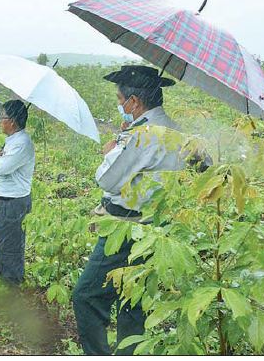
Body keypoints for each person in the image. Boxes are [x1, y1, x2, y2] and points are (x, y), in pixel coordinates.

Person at [72, 65, 185, 355]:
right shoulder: (174, 130)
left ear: (134, 101)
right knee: (132, 301)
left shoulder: (143, 135)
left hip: (126, 228)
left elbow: (108, 180)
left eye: (120, 100)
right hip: (157, 229)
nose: (120, 105)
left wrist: (111, 151)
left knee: (86, 295)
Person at [0, 100, 35, 285]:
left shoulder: (22, 144)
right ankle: (2, 278)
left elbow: (2, 169)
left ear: (13, 121)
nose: (0, 121)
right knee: (1, 241)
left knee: (11, 245)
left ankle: (12, 285)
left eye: (3, 117)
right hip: (2, 200)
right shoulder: (13, 141)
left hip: (12, 202)